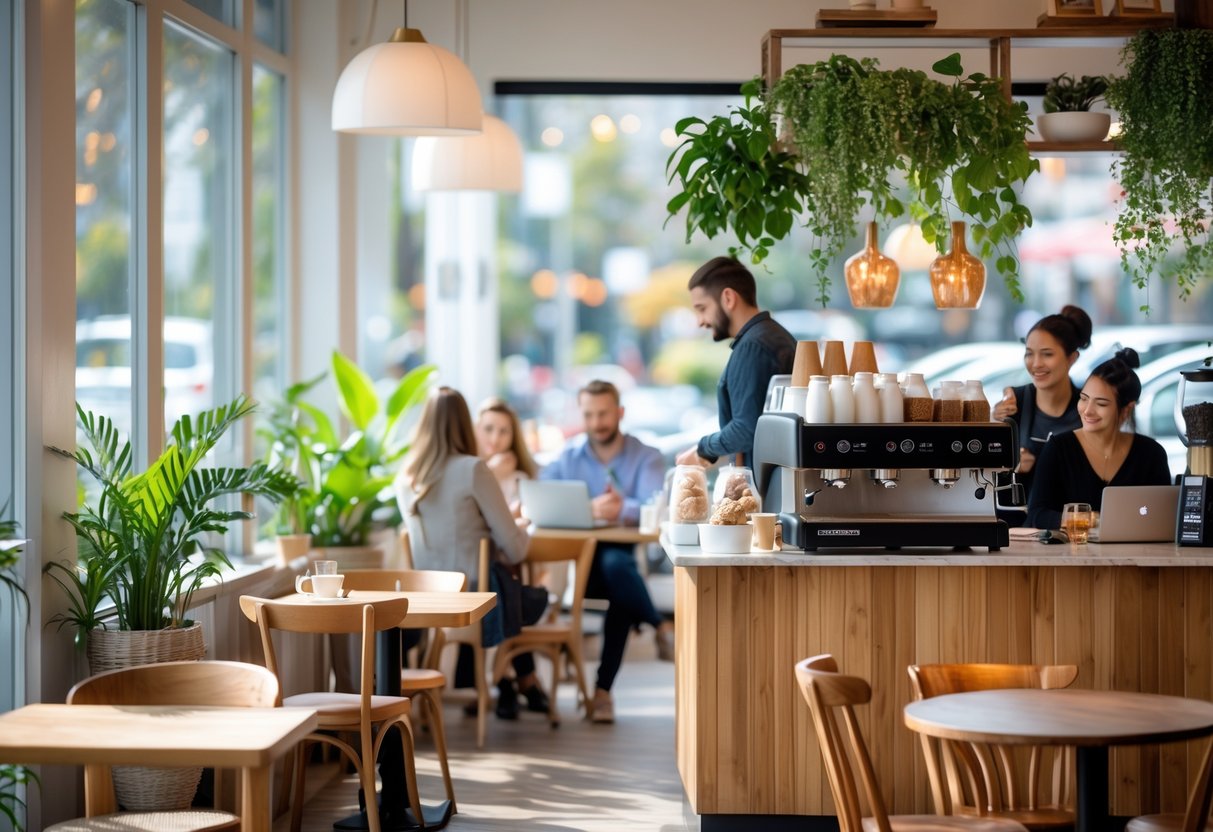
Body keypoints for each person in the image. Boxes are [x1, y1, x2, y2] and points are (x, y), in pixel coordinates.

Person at [394, 386, 550, 721]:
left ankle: (509, 682)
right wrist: (521, 525)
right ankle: (519, 680)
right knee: (531, 595)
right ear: (467, 425)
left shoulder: (405, 477)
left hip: (422, 602)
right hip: (473, 600)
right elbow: (516, 549)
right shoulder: (473, 469)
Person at [541, 379, 671, 724]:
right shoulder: (568, 456)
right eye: (589, 414)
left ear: (620, 413)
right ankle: (659, 626)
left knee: (617, 570)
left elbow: (654, 505)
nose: (596, 422)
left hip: (620, 565)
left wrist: (621, 509)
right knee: (621, 582)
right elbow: (540, 495)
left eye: (603, 413)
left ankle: (602, 694)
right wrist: (588, 508)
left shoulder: (646, 455)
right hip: (582, 571)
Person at [1027, 348, 1171, 530]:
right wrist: (1091, 520)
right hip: (1070, 555)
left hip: (1137, 554)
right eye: (1084, 399)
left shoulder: (1151, 454)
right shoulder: (1058, 448)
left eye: (1101, 404)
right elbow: (1037, 514)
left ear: (1126, 409)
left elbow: (1163, 517)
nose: (1087, 410)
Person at [675, 256, 795, 469]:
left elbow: (745, 430)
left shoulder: (752, 346)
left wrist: (703, 448)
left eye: (702, 308)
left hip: (767, 487)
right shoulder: (773, 335)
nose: (700, 321)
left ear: (728, 298)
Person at [991, 305, 1093, 517]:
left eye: (1047, 354)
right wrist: (1010, 464)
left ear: (1072, 358)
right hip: (1016, 529)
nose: (1036, 364)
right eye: (1029, 354)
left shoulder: (1087, 408)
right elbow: (986, 474)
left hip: (1072, 525)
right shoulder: (1013, 404)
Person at [475, 396, 539, 513]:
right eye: (488, 429)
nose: (495, 439)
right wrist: (491, 474)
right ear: (476, 429)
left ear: (513, 436)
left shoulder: (518, 479)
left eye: (503, 431)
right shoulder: (464, 471)